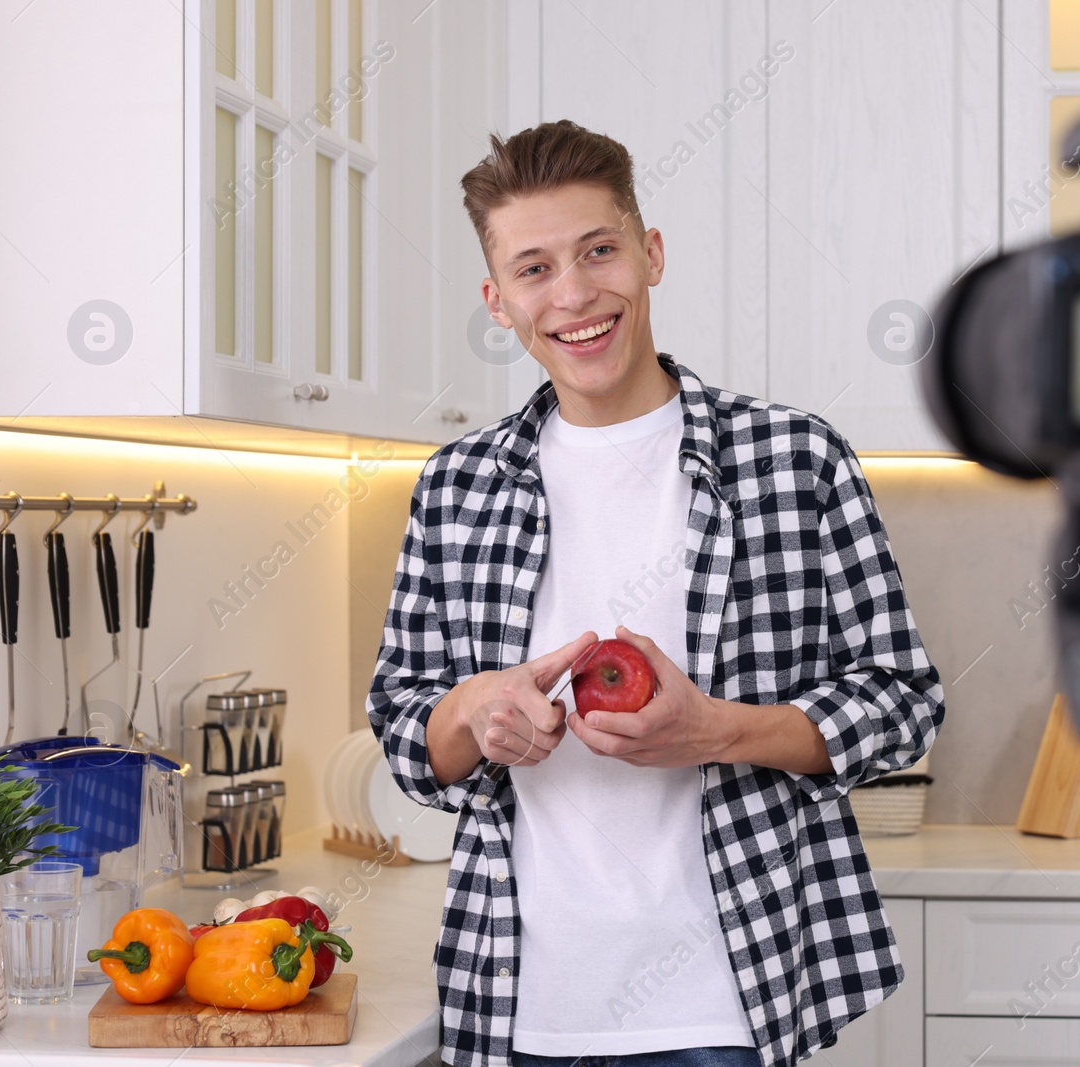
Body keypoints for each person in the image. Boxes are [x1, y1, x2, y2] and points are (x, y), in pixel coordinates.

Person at [367, 119, 944, 1067]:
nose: (576, 294)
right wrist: (473, 714)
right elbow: (405, 732)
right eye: (535, 268)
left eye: (600, 250)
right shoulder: (456, 484)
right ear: (498, 300)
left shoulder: (793, 458)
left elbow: (903, 702)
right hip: (515, 1005)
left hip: (722, 1006)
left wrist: (714, 730)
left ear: (652, 253)